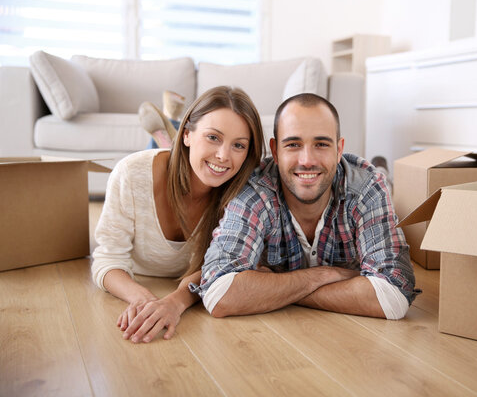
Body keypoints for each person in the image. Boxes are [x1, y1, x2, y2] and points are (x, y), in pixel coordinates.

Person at [191, 93, 417, 319]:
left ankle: (382, 165)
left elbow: (393, 296)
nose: (307, 160)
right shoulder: (255, 190)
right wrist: (323, 275)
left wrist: (271, 288)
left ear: (339, 149)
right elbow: (219, 293)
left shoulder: (367, 186)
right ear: (275, 151)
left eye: (321, 144)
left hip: (367, 180)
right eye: (293, 144)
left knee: (384, 178)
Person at [91, 86, 264, 343]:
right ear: (187, 135)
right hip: (166, 162)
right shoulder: (130, 173)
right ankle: (166, 130)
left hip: (183, 157)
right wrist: (144, 300)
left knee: (195, 162)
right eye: (213, 137)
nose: (224, 156)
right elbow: (107, 261)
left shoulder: (245, 193)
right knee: (173, 160)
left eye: (238, 145)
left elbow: (224, 268)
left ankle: (166, 130)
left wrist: (175, 301)